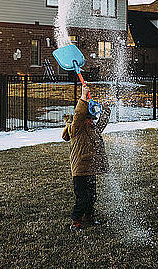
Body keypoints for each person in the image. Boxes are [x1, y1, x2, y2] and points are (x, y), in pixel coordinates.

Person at [62, 83, 111, 232]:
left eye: (92, 118)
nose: (92, 121)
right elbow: (78, 115)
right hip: (80, 170)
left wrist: (106, 108)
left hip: (91, 168)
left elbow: (102, 122)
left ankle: (89, 216)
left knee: (92, 196)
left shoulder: (92, 129)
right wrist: (83, 98)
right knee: (82, 198)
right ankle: (75, 221)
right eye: (89, 118)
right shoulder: (76, 129)